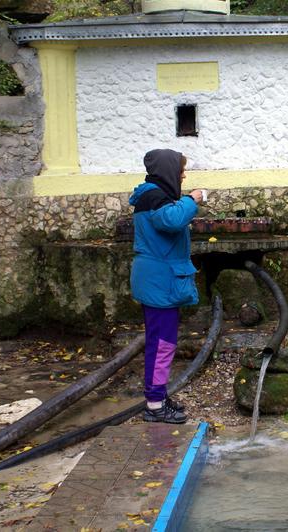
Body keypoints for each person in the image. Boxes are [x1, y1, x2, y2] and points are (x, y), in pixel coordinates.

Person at [129, 148, 205, 424]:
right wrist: (191, 200)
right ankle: (154, 405)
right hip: (159, 280)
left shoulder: (152, 196)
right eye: (180, 170)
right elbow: (172, 221)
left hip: (157, 279)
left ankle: (158, 396)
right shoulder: (154, 197)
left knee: (161, 342)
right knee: (162, 344)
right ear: (168, 172)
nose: (183, 176)